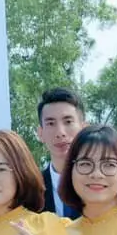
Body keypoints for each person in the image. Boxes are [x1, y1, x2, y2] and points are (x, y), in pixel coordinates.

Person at [36, 89, 87, 221]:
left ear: (84, 128)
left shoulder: (102, 182)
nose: (60, 133)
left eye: (68, 122)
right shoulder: (30, 189)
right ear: (40, 133)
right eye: (51, 123)